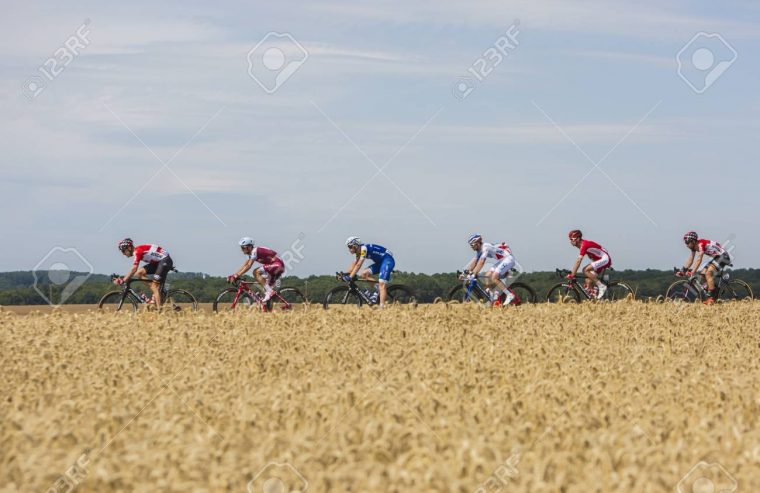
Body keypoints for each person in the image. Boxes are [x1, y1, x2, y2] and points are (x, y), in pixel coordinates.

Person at [463, 234, 519, 306]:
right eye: (471, 246)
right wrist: (465, 273)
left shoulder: (485, 247)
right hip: (502, 260)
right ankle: (492, 296)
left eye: (472, 245)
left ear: (477, 243)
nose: (471, 247)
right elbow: (475, 262)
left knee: (494, 277)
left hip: (508, 258)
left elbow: (481, 262)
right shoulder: (479, 251)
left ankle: (509, 295)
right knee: (487, 275)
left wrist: (473, 274)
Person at [115, 238, 173, 307]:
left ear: (129, 248)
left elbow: (134, 269)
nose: (123, 254)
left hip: (164, 261)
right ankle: (155, 290)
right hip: (159, 262)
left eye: (123, 251)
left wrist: (123, 280)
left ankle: (160, 310)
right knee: (139, 273)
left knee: (154, 287)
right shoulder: (138, 250)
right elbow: (135, 271)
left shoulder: (137, 252)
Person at [679, 231, 731, 305]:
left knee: (708, 273)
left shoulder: (701, 244)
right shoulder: (694, 247)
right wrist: (683, 270)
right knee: (702, 273)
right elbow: (691, 260)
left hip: (723, 257)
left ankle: (712, 298)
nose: (686, 245)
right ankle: (713, 290)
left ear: (693, 241)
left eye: (687, 242)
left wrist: (692, 272)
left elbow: (699, 259)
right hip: (716, 257)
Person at [227, 237, 284, 302]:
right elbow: (245, 265)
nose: (241, 250)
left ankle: (270, 292)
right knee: (265, 288)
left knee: (256, 272)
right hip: (275, 266)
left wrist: (237, 276)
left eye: (243, 248)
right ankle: (267, 308)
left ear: (249, 247)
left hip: (277, 264)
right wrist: (235, 274)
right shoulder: (251, 254)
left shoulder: (254, 251)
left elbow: (248, 266)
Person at [343, 236, 395, 308]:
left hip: (387, 260)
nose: (349, 249)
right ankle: (378, 290)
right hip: (380, 263)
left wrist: (350, 277)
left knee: (382, 283)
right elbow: (354, 264)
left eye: (350, 246)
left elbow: (358, 265)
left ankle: (382, 308)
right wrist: (345, 274)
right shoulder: (358, 252)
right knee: (364, 274)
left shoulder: (363, 249)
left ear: (355, 245)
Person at [567, 230, 611, 299]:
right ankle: (596, 300)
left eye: (572, 239)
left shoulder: (584, 245)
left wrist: (572, 274)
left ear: (578, 238)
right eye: (570, 239)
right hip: (600, 259)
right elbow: (594, 256)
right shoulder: (583, 246)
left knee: (585, 270)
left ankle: (601, 286)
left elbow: (578, 261)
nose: (571, 241)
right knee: (588, 281)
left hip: (605, 259)